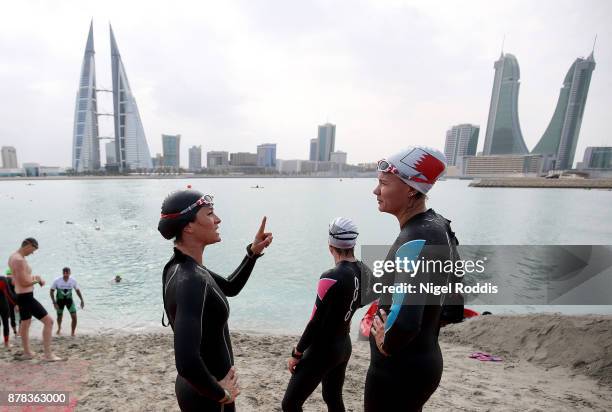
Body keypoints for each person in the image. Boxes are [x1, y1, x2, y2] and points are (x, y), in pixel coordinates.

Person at [158, 189, 273, 412]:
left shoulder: (181, 267)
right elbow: (186, 362)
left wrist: (253, 253)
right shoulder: (191, 280)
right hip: (207, 395)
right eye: (210, 214)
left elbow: (230, 287)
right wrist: (222, 394)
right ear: (188, 226)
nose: (218, 219)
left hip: (201, 390)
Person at [366, 147, 459, 411]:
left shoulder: (416, 238)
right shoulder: (439, 225)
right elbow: (454, 305)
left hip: (397, 371)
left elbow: (406, 322)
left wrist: (389, 341)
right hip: (421, 362)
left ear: (410, 189)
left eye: (383, 183)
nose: (376, 191)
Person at [282, 217, 373, 412]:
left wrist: (297, 353)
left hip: (322, 349)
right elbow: (366, 299)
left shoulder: (330, 276)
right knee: (332, 396)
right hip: (343, 346)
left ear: (330, 245)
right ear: (353, 243)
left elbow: (315, 321)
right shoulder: (364, 270)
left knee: (290, 404)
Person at [7, 238, 62, 361]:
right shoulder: (19, 260)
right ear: (28, 245)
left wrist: (34, 277)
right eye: (33, 250)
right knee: (49, 322)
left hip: (21, 296)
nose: (32, 253)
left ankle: (27, 353)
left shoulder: (12, 257)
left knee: (25, 324)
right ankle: (48, 355)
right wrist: (37, 280)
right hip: (26, 297)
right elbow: (24, 282)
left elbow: (15, 279)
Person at [50, 267, 85, 336]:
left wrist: (82, 300)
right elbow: (51, 292)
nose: (65, 274)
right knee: (59, 316)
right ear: (62, 273)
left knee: (74, 316)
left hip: (69, 301)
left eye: (67, 273)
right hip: (59, 301)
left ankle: (72, 332)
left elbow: (77, 291)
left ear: (70, 273)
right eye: (64, 273)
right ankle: (59, 328)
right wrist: (54, 303)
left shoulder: (73, 281)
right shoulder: (57, 281)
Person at [0, 272, 17, 347]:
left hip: (4, 305)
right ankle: (6, 343)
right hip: (3, 305)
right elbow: (8, 293)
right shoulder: (2, 279)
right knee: (5, 323)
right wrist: (15, 304)